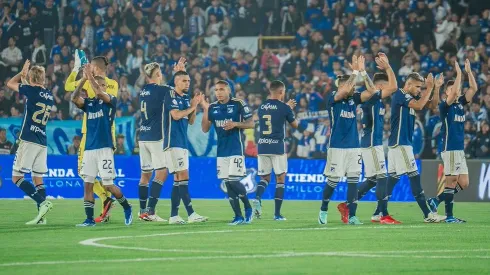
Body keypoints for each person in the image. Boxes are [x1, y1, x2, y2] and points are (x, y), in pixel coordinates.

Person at [336, 53, 400, 224]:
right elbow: (394, 87)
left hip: (372, 143)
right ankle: (382, 214)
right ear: (380, 85)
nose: (387, 89)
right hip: (371, 143)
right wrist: (384, 68)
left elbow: (393, 86)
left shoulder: (377, 99)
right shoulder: (372, 97)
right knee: (381, 177)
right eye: (384, 86)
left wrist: (387, 68)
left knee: (372, 179)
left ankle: (347, 205)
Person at [317, 55, 377, 226]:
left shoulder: (354, 99)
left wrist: (363, 73)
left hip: (354, 148)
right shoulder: (333, 98)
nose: (353, 88)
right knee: (333, 181)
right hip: (337, 147)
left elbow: (372, 91)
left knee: (353, 181)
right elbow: (344, 91)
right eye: (351, 85)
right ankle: (324, 209)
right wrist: (355, 72)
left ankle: (352, 216)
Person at [71, 65, 132, 226]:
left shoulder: (111, 101)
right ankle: (89, 219)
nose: (102, 88)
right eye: (100, 85)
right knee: (88, 185)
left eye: (104, 85)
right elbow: (74, 98)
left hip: (105, 148)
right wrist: (84, 79)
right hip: (90, 149)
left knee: (108, 185)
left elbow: (99, 92)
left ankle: (127, 207)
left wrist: (90, 77)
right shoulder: (89, 104)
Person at [65, 50, 119, 223]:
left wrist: (77, 69)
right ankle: (106, 211)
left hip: (91, 133)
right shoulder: (114, 84)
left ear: (94, 68)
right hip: (109, 132)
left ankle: (105, 199)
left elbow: (68, 87)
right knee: (106, 176)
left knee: (84, 173)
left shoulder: (90, 83)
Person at [386, 71, 445, 223]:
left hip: (398, 143)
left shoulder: (411, 97)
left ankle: (379, 212)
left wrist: (435, 88)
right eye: (418, 87)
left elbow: (432, 105)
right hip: (401, 143)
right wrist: (429, 87)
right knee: (414, 176)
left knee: (393, 178)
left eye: (421, 87)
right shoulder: (400, 95)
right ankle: (428, 214)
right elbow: (419, 106)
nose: (420, 90)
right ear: (409, 84)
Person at [427, 59, 478, 223]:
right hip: (450, 149)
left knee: (464, 182)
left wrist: (468, 72)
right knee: (451, 182)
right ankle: (449, 217)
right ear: (446, 94)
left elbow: (474, 88)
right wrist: (458, 74)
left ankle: (436, 200)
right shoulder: (445, 106)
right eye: (452, 90)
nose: (456, 91)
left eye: (456, 90)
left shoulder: (461, 104)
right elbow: (457, 89)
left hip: (459, 150)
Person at [137, 58, 185, 222]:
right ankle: (150, 211)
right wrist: (178, 73)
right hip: (156, 137)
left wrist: (174, 74)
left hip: (142, 136)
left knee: (145, 175)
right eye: (161, 73)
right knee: (162, 172)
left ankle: (142, 210)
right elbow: (174, 88)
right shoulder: (161, 90)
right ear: (157, 74)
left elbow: (166, 88)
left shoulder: (144, 90)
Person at [6, 60, 54, 225]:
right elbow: (33, 89)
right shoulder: (49, 95)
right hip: (42, 141)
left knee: (16, 177)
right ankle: (42, 217)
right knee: (37, 178)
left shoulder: (31, 91)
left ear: (31, 79)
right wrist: (27, 78)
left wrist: (21, 74)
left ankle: (42, 202)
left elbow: (10, 84)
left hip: (28, 139)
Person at [201, 80, 254, 225]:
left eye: (221, 89)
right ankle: (238, 216)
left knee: (232, 180)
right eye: (216, 90)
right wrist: (206, 110)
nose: (218, 92)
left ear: (229, 90)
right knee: (228, 183)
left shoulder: (238, 104)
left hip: (236, 149)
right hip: (221, 151)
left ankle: (248, 207)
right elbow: (205, 129)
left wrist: (236, 124)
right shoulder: (213, 107)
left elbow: (251, 123)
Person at [253, 80, 307, 221]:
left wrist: (285, 108)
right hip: (277, 146)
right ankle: (277, 214)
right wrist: (289, 109)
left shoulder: (262, 106)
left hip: (263, 145)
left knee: (264, 178)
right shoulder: (284, 107)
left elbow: (273, 113)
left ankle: (257, 198)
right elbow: (294, 125)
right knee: (280, 179)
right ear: (281, 92)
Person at [163, 70, 208, 224]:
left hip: (182, 142)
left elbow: (190, 121)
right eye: (184, 81)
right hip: (173, 141)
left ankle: (174, 216)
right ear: (176, 82)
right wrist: (192, 106)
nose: (187, 83)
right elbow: (175, 115)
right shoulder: (171, 96)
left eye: (188, 81)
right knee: (183, 176)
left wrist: (193, 107)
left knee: (178, 179)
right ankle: (191, 214)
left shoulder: (185, 98)